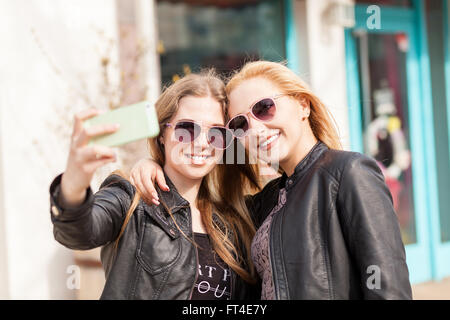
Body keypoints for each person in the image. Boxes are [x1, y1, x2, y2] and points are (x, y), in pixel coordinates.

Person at [129, 61, 413, 300]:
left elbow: (388, 289)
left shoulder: (347, 173)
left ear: (303, 105)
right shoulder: (267, 201)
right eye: (239, 124)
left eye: (264, 108)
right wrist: (156, 162)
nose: (255, 129)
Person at [49, 71, 261, 300]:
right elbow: (78, 233)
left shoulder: (235, 221)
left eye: (217, 133)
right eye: (187, 129)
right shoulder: (131, 199)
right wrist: (73, 184)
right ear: (161, 133)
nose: (201, 143)